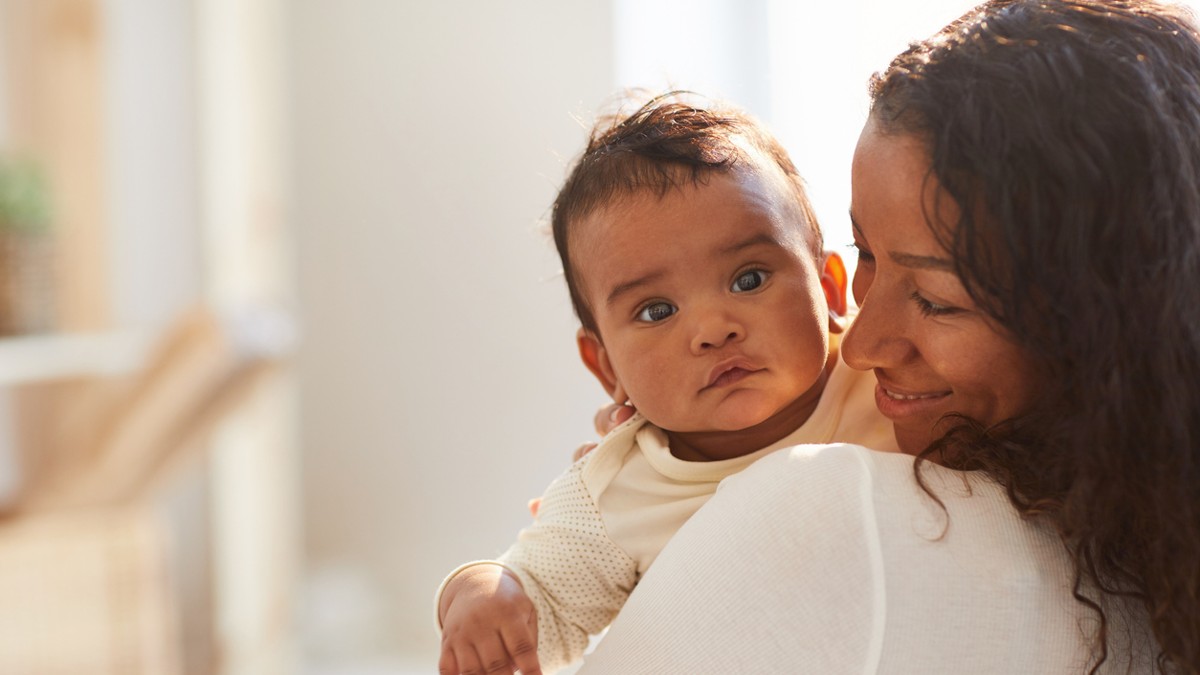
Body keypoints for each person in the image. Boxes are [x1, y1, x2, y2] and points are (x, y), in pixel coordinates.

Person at [572, 1, 1200, 673]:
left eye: (934, 300)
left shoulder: (829, 506)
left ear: (1105, 327)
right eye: (866, 251)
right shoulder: (1158, 558)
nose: (860, 344)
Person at [435, 95, 898, 675]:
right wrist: (480, 592)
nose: (712, 329)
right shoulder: (617, 486)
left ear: (829, 289)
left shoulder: (888, 375)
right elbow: (545, 602)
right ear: (606, 368)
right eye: (656, 311)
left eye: (748, 279)